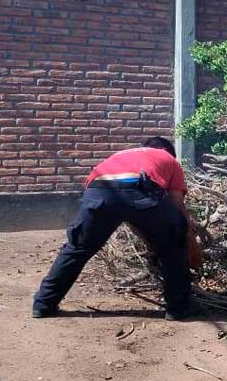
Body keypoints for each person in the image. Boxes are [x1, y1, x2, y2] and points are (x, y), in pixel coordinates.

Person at [32, 137, 198, 321]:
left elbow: (100, 192)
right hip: (141, 188)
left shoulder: (120, 155)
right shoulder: (169, 160)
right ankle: (178, 309)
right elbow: (176, 203)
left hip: (99, 189)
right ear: (169, 152)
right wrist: (187, 236)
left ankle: (43, 305)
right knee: (172, 246)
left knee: (76, 249)